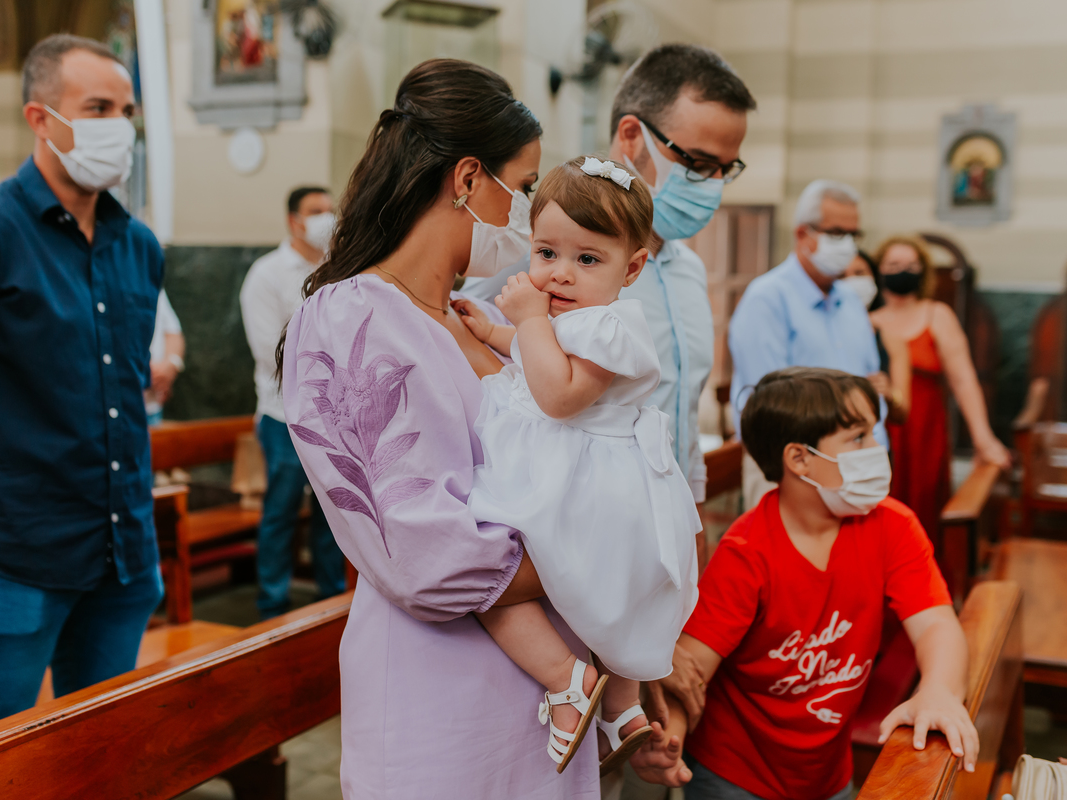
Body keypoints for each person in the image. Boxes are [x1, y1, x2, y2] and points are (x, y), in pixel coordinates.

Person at [278, 59, 674, 798]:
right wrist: (611, 558)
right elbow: (419, 545)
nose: (531, 212)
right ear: (466, 180)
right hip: (445, 695)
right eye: (522, 188)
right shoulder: (352, 317)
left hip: (550, 694)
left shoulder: (472, 317)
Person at [462, 44, 755, 573]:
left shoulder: (688, 273)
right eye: (697, 163)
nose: (710, 185)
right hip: (565, 523)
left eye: (724, 170)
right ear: (630, 136)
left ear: (633, 267)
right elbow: (474, 356)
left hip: (659, 522)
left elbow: (680, 413)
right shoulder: (536, 254)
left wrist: (691, 514)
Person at [453, 156, 700, 774]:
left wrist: (528, 318)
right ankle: (622, 709)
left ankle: (567, 683)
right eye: (545, 253)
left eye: (587, 260)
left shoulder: (614, 326)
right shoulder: (578, 320)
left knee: (485, 578)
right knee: (612, 603)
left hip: (583, 483)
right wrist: (493, 330)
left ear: (632, 267)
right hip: (597, 480)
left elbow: (559, 393)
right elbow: (542, 355)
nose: (560, 274)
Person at [635, 368, 978, 799]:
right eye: (857, 438)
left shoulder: (892, 526)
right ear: (799, 459)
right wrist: (671, 738)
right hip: (736, 774)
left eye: (873, 434)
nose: (877, 450)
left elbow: (935, 624)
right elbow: (692, 671)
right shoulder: (748, 552)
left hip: (827, 772)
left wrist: (939, 691)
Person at [0, 34, 164, 720]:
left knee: (100, 757)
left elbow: (124, 389)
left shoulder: (138, 245)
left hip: (123, 551)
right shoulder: (2, 229)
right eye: (97, 108)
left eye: (126, 111)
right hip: (20, 553)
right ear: (41, 118)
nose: (118, 127)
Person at [729, 179, 886, 510]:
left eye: (853, 235)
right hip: (792, 467)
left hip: (861, 462)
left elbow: (870, 384)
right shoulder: (768, 299)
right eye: (836, 233)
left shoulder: (851, 301)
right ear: (803, 235)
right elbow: (769, 404)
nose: (847, 245)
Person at [240, 185, 345, 619]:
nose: (327, 217)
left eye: (330, 209)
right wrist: (328, 358)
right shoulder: (267, 274)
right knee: (281, 511)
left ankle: (331, 598)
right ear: (293, 221)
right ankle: (272, 603)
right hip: (283, 415)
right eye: (316, 211)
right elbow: (270, 352)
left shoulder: (340, 270)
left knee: (332, 513)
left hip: (333, 417)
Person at [868, 236, 1009, 547]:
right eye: (893, 265)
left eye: (910, 266)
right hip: (879, 433)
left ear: (923, 272)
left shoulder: (937, 315)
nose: (902, 271)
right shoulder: (867, 321)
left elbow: (963, 380)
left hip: (925, 434)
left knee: (924, 511)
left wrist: (982, 438)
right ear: (879, 271)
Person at [840, 251, 910, 424]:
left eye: (859, 273)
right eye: (841, 275)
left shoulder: (889, 337)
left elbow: (902, 413)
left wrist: (890, 392)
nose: (851, 282)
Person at [145, 289, 186, 426]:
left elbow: (173, 332)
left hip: (152, 408)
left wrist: (171, 365)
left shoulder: (150, 280)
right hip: (111, 411)